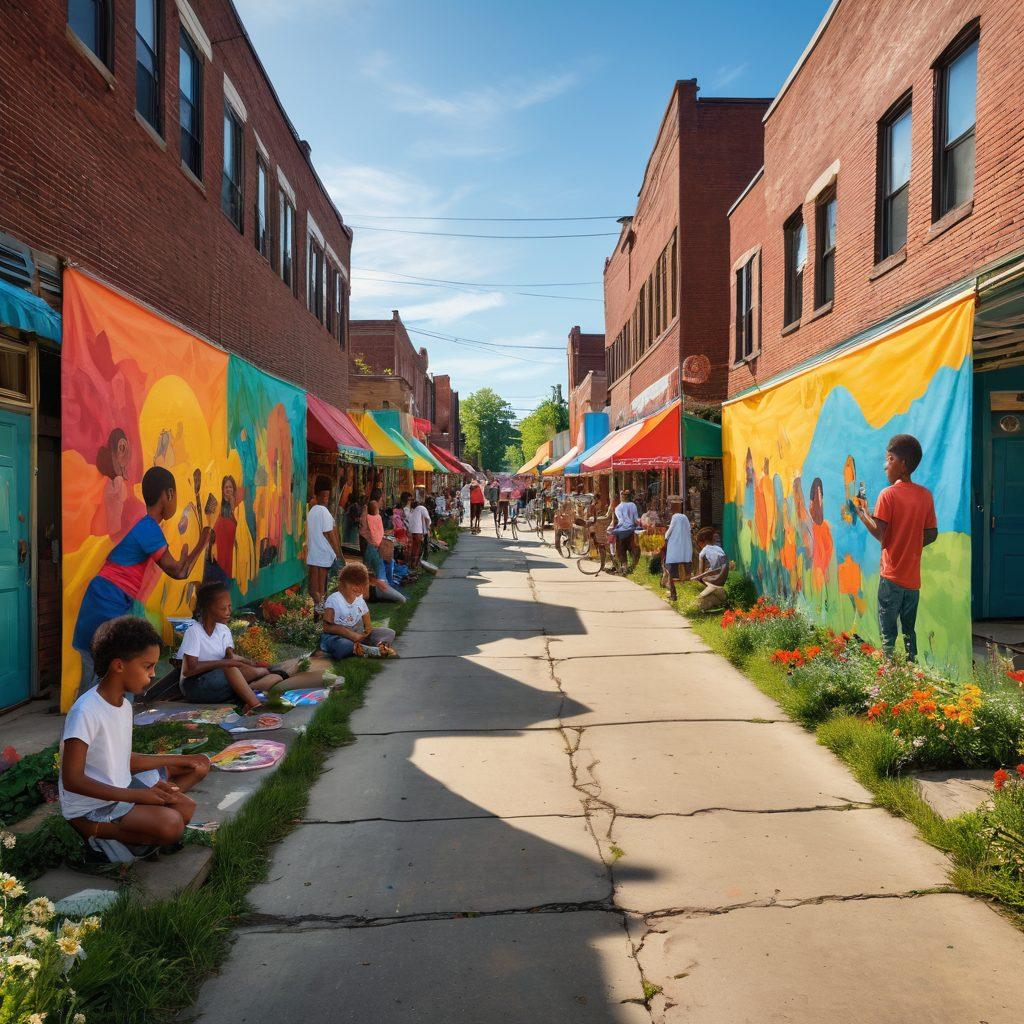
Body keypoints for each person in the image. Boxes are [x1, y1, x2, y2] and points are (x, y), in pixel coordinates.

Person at [60, 616, 211, 862]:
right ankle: (94, 832)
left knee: (186, 807)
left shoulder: (123, 705)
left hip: (120, 788)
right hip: (91, 806)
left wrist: (181, 758)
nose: (152, 674)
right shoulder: (85, 711)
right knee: (172, 825)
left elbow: (121, 758)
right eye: (147, 666)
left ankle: (139, 837)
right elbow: (72, 780)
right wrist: (140, 796)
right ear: (119, 665)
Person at [73, 466, 211, 696]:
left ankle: (83, 727)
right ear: (167, 494)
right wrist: (202, 542)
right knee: (117, 676)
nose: (175, 500)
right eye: (175, 495)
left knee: (93, 679)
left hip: (99, 602)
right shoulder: (148, 527)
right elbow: (179, 571)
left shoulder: (142, 525)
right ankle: (106, 727)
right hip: (109, 604)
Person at [855, 433, 937, 661]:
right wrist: (910, 542)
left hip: (891, 578)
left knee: (888, 633)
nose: (885, 466)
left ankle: (887, 671)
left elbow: (880, 532)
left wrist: (861, 512)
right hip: (912, 582)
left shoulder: (887, 494)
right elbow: (932, 534)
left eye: (889, 459)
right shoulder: (925, 496)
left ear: (902, 465)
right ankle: (911, 668)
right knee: (909, 631)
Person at [178, 582, 283, 711]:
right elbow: (188, 670)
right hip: (195, 686)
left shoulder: (223, 630)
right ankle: (256, 706)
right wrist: (223, 662)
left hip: (218, 680)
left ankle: (247, 693)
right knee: (231, 667)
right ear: (209, 608)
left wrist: (249, 662)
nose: (228, 612)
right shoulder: (194, 632)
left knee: (273, 677)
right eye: (223, 608)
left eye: (229, 607)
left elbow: (230, 658)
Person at [317, 563, 397, 659]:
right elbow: (326, 627)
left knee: (389, 633)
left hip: (358, 635)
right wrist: (348, 633)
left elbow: (367, 625)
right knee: (344, 645)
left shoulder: (359, 599)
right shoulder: (334, 600)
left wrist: (365, 633)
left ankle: (380, 646)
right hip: (338, 637)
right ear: (354, 587)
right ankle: (366, 650)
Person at [306, 476, 339, 613]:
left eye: (327, 496)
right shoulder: (324, 511)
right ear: (318, 495)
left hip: (314, 555)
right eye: (324, 496)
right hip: (323, 555)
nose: (326, 498)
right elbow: (329, 533)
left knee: (314, 590)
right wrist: (337, 552)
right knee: (321, 589)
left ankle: (317, 612)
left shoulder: (312, 511)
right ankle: (320, 614)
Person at [363, 500, 406, 604]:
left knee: (370, 567)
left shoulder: (367, 518)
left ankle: (377, 586)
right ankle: (381, 586)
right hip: (377, 545)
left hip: (372, 545)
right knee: (379, 567)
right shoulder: (378, 518)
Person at [663, 498, 693, 601]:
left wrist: (665, 537)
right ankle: (681, 594)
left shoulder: (675, 517)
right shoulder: (684, 517)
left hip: (674, 552)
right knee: (685, 574)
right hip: (685, 551)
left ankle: (673, 594)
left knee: (671, 573)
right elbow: (689, 529)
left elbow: (670, 530)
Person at [693, 528, 729, 610]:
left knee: (699, 602)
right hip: (722, 580)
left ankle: (717, 601)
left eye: (698, 543)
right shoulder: (720, 549)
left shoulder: (703, 552)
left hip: (713, 582)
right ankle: (721, 600)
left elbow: (700, 574)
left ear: (702, 542)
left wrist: (698, 577)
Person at [609, 489, 640, 573]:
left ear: (621, 497)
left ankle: (624, 565)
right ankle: (633, 566)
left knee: (620, 549)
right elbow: (636, 519)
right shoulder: (633, 505)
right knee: (634, 548)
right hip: (631, 530)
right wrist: (638, 525)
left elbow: (621, 521)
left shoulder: (618, 508)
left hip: (622, 531)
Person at [407, 498, 431, 568]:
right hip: (417, 531)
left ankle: (412, 564)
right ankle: (415, 565)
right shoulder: (422, 508)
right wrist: (428, 528)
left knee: (413, 547)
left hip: (411, 531)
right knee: (417, 547)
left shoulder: (412, 511)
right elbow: (427, 518)